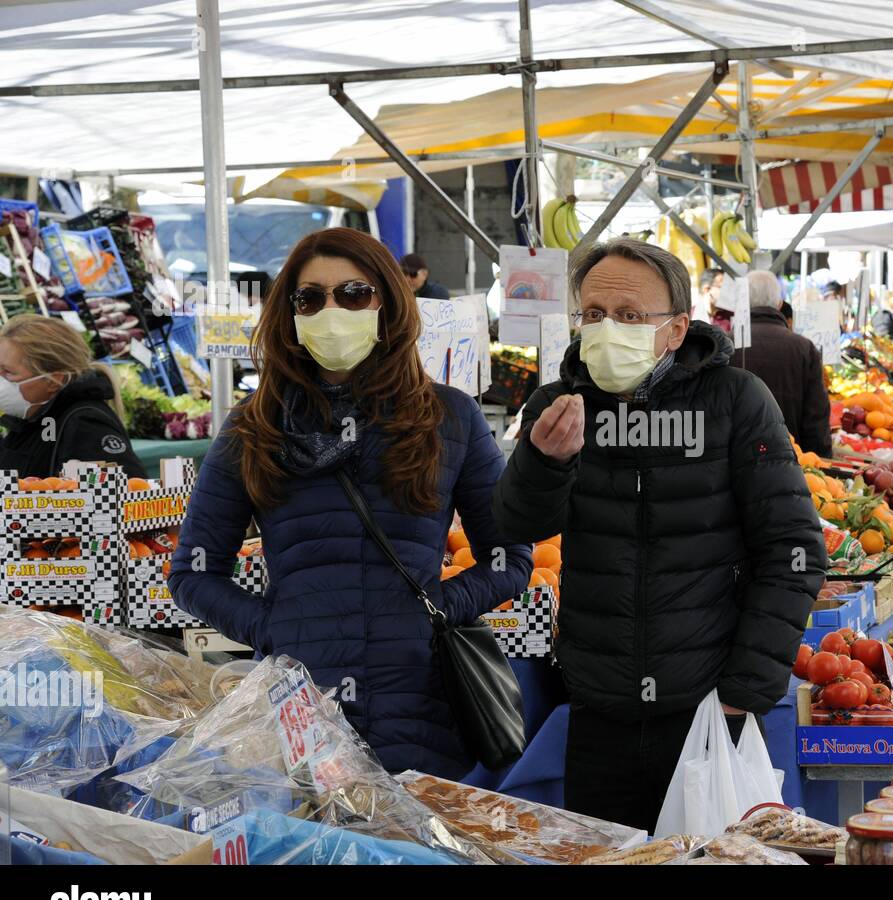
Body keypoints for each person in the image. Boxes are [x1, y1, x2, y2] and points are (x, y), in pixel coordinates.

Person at [490, 238, 826, 832]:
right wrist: (545, 462)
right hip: (598, 708)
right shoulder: (559, 404)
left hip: (704, 707)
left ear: (675, 330)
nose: (606, 328)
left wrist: (743, 690)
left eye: (627, 316)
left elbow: (793, 552)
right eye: (593, 314)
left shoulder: (735, 400)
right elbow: (517, 527)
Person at [170, 228, 531, 778]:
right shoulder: (253, 426)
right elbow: (194, 574)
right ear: (289, 315)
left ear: (387, 303)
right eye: (310, 298)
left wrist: (432, 612)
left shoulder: (450, 417)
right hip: (300, 699)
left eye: (353, 293)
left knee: (416, 852)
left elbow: (510, 558)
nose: (330, 309)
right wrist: (277, 628)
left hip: (418, 695)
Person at [0, 316, 146, 478]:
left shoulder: (84, 424)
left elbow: (128, 492)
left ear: (53, 381)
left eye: (8, 372)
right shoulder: (30, 419)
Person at [729, 270, 832, 456]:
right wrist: (821, 463)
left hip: (734, 458)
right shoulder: (804, 348)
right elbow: (816, 417)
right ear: (779, 303)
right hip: (792, 460)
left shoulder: (726, 345)